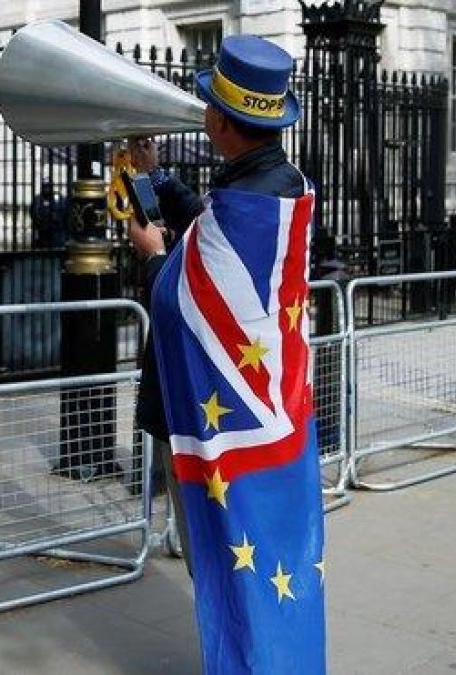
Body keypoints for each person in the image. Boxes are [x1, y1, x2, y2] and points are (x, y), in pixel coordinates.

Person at [126, 35, 326, 673]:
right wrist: (154, 176)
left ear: (218, 119)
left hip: (230, 431)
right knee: (276, 558)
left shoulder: (248, 200)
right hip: (279, 415)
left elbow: (187, 299)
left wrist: (152, 255)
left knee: (227, 557)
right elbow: (212, 229)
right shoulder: (279, 184)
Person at [30, 178, 67, 248]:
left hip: (56, 230)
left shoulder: (59, 198)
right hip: (43, 230)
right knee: (44, 249)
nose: (46, 189)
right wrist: (40, 222)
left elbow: (64, 211)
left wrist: (57, 218)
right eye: (45, 187)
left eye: (48, 187)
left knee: (56, 248)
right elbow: (33, 213)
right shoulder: (38, 199)